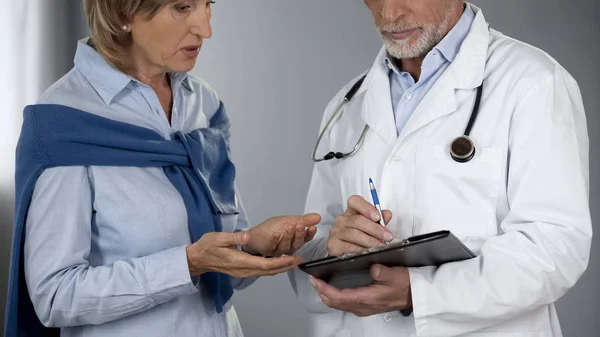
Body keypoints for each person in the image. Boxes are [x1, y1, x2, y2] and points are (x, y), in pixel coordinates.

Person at [4, 1, 321, 336]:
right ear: (122, 12)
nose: (206, 29)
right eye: (182, 7)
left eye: (208, 5)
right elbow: (54, 296)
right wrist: (188, 263)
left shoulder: (202, 103)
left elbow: (222, 266)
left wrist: (252, 244)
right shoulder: (64, 122)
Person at [288, 1, 592, 336]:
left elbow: (555, 248)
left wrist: (419, 292)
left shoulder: (533, 82)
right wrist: (336, 247)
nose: (389, 15)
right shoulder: (347, 104)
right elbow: (313, 247)